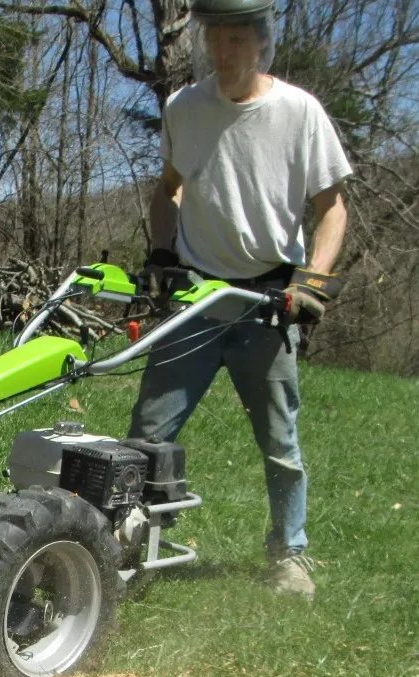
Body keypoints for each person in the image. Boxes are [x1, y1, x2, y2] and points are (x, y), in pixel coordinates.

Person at [127, 0, 353, 599]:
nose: (223, 54)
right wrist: (162, 251)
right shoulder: (186, 109)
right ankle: (135, 543)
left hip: (269, 298)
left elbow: (332, 210)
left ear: (260, 43)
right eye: (214, 41)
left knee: (280, 441)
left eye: (235, 41)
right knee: (150, 430)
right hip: (197, 299)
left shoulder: (298, 112)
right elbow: (166, 191)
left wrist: (311, 281)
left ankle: (290, 553)